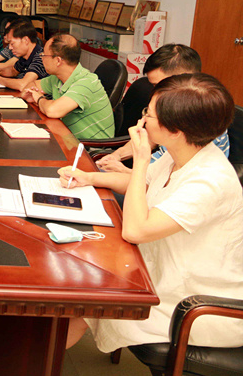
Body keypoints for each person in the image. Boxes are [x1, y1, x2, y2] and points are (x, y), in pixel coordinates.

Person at [60, 73, 243, 352]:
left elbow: (135, 230)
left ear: (175, 130)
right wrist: (89, 178)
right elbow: (142, 185)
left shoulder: (210, 181)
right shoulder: (181, 152)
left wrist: (142, 158)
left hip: (195, 304)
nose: (143, 119)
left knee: (91, 294)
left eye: (149, 114)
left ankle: (29, 364)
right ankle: (32, 361)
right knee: (82, 286)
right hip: (164, 272)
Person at [96, 44, 229, 172]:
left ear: (184, 80)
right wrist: (116, 156)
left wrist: (122, 170)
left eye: (159, 85)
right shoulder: (172, 107)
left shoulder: (202, 117)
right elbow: (149, 139)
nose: (156, 91)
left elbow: (159, 180)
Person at [22, 34, 114, 139]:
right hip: (68, 137)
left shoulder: (86, 83)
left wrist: (38, 98)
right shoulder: (57, 78)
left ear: (58, 61)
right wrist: (31, 93)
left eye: (44, 55)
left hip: (90, 146)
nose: (41, 58)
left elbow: (52, 110)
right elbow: (31, 85)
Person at [0, 19, 46, 91]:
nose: (10, 48)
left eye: (12, 43)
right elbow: (13, 71)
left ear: (26, 40)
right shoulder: (25, 56)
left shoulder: (41, 57)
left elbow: (23, 84)